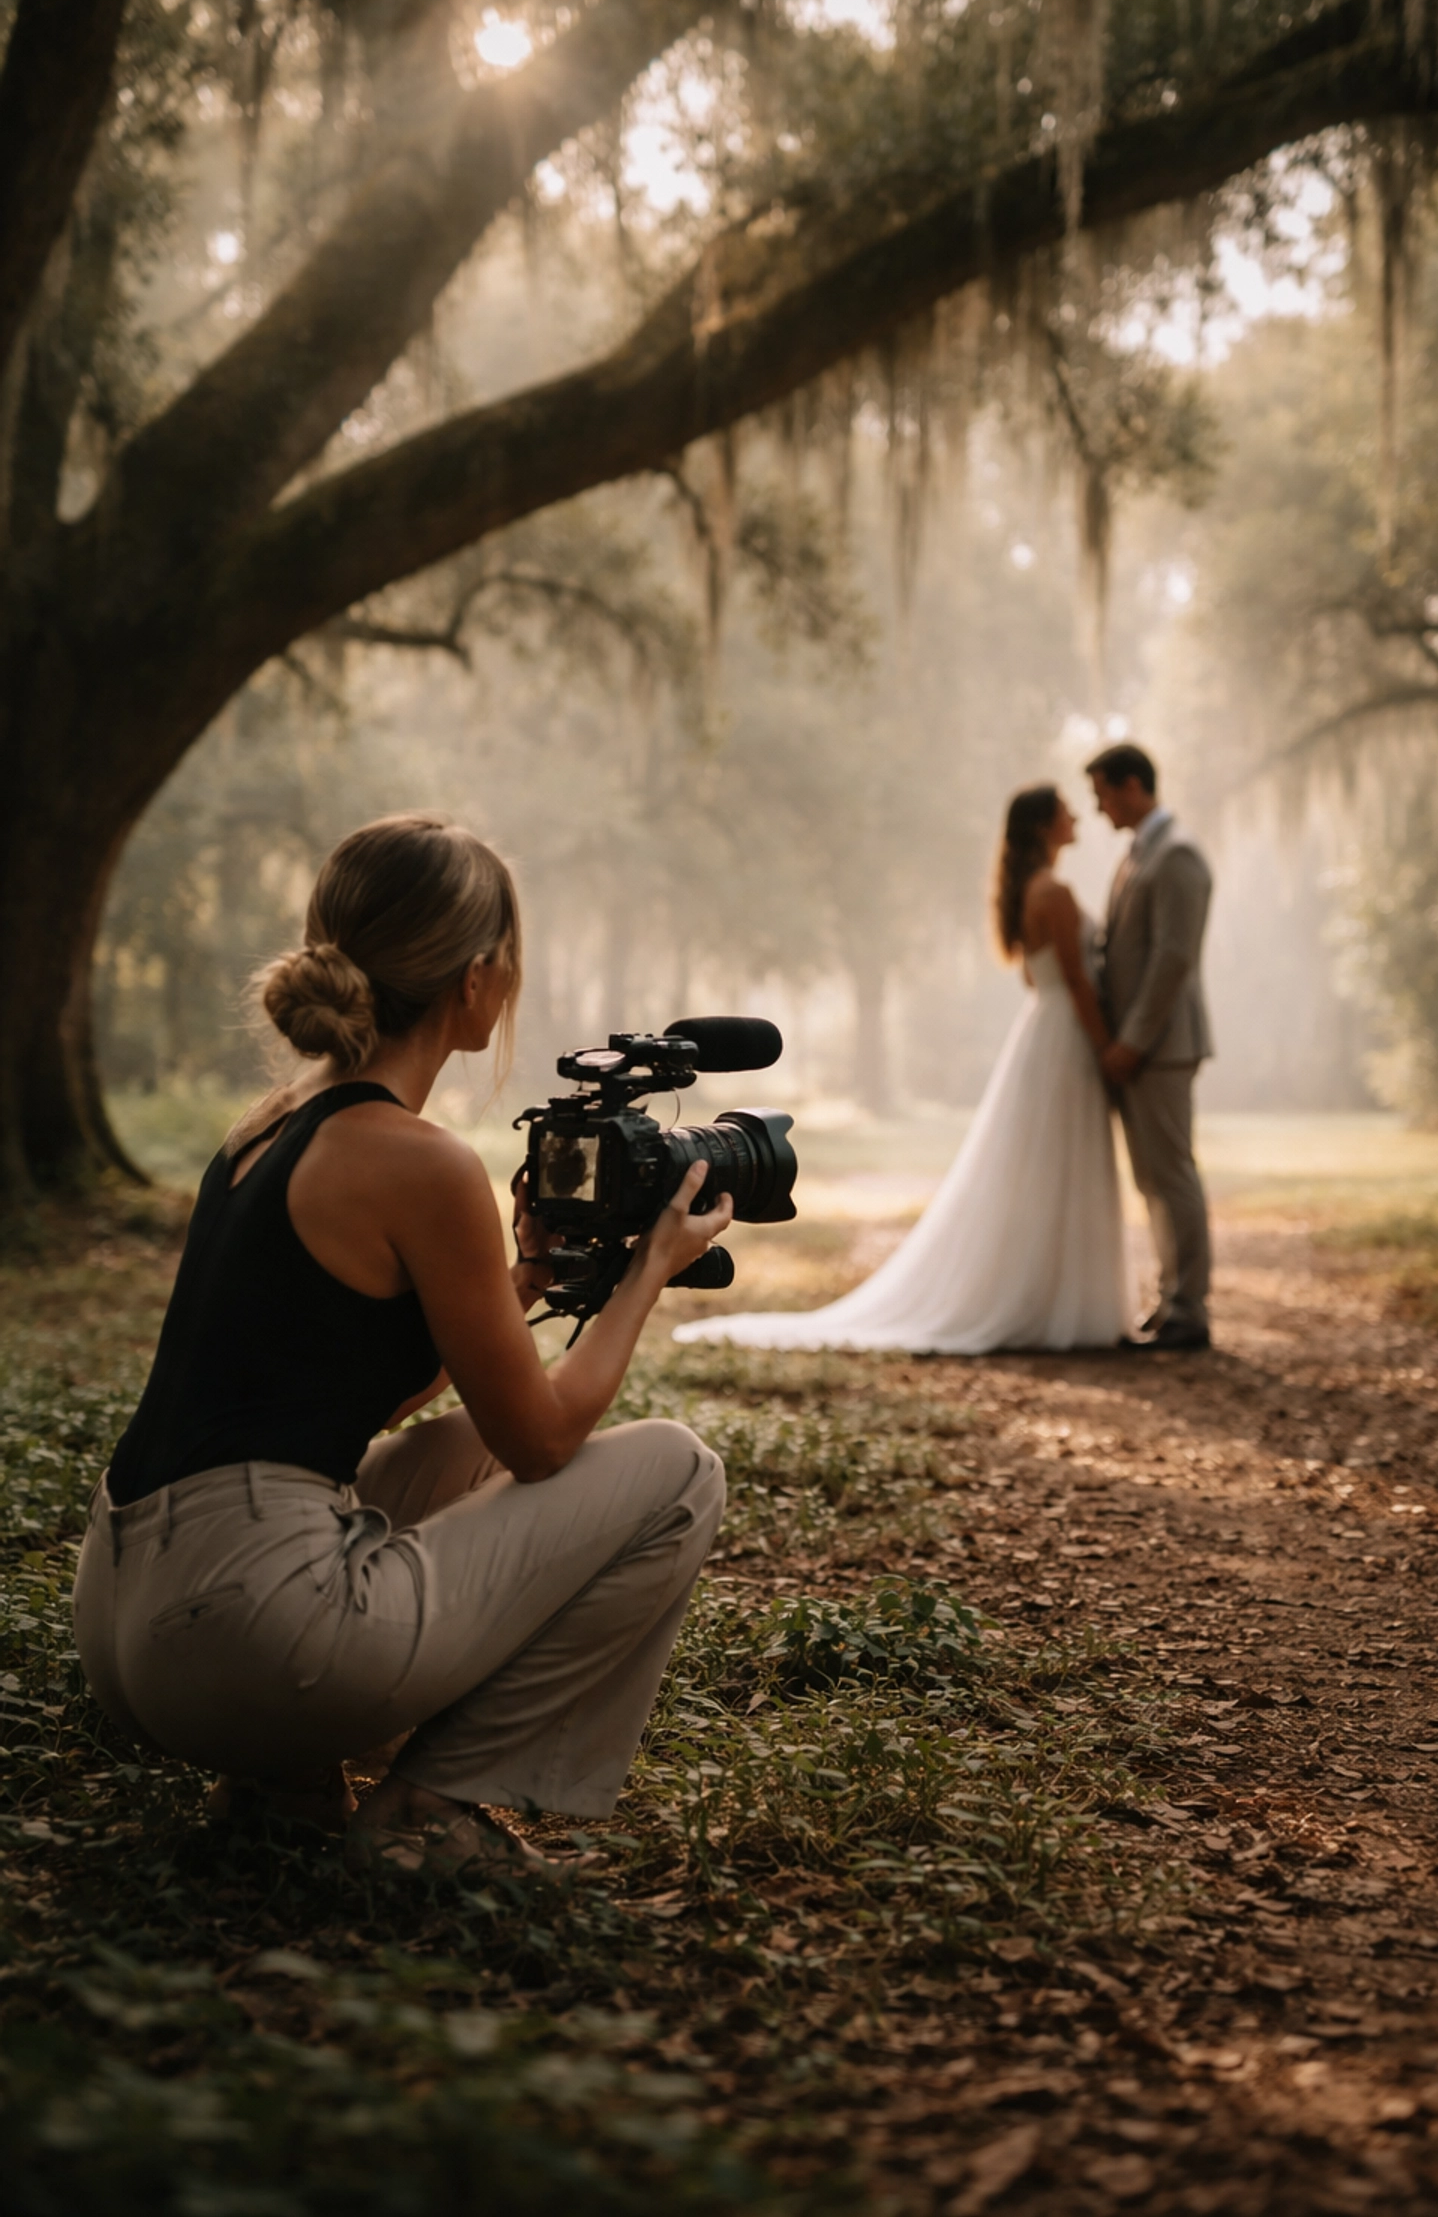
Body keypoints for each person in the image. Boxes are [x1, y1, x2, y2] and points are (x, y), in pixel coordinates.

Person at [71, 813, 732, 1869]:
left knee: (454, 1447)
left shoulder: (268, 1128)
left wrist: (512, 1284)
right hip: (252, 1629)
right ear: (476, 981)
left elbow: (345, 1392)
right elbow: (545, 1444)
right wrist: (647, 1271)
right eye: (507, 959)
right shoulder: (420, 1161)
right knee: (678, 1474)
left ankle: (278, 1782)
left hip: (127, 1615)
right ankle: (432, 1811)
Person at [674, 785, 1130, 1355]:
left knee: (1049, 1167)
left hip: (1044, 1032)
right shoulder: (1056, 891)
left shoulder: (1025, 892)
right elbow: (1078, 981)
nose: (1076, 817)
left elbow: (1036, 979)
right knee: (1065, 1164)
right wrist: (1108, 1046)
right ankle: (1061, 1302)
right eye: (1066, 809)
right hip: (1066, 1036)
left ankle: (1053, 1297)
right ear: (1043, 825)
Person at [1087, 743, 1214, 1352]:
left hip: (1161, 1047)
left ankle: (1190, 1309)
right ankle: (1170, 1301)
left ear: (1133, 785)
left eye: (1103, 793)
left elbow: (1172, 958)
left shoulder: (1178, 855)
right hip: (1137, 1051)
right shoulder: (1135, 855)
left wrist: (1132, 1042)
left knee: (1173, 1174)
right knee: (1152, 1181)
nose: (1098, 808)